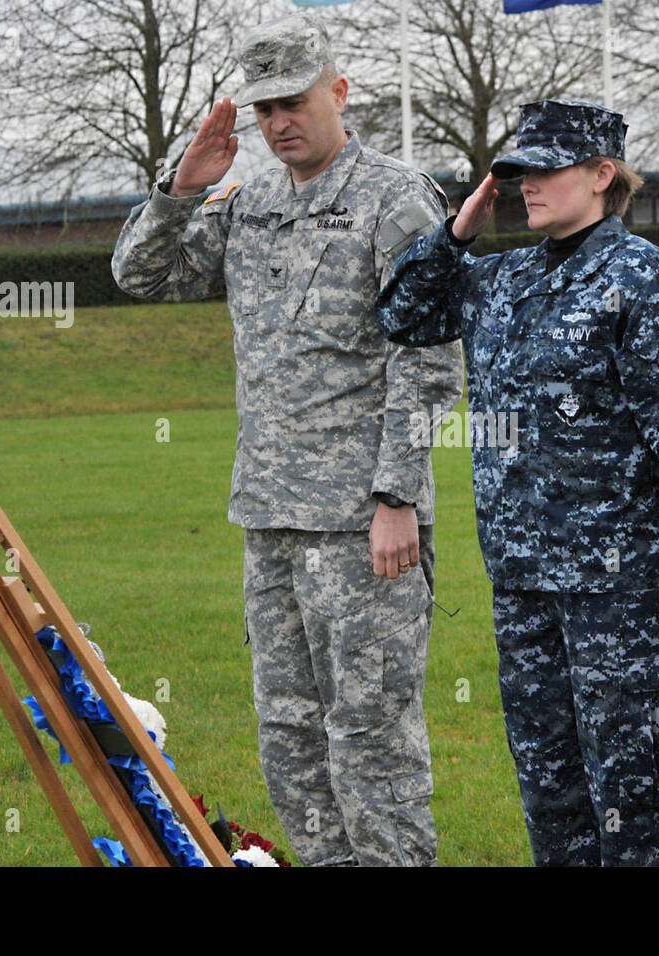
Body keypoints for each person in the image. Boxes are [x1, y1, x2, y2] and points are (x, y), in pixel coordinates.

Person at [112, 12, 463, 867]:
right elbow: (140, 275)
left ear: (338, 93)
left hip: (361, 525)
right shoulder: (250, 199)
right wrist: (181, 188)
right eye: (265, 108)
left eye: (295, 103)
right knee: (291, 736)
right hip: (269, 517)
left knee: (371, 738)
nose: (278, 124)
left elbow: (431, 364)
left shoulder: (396, 198)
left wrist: (396, 498)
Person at [376, 99, 659, 866]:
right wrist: (457, 231)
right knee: (553, 795)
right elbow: (403, 314)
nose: (525, 185)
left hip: (624, 585)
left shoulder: (644, 277)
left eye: (545, 169)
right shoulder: (499, 279)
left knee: (639, 791)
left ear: (602, 174)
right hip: (523, 584)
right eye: (515, 171)